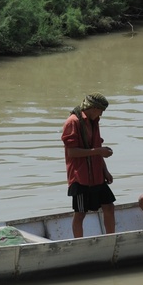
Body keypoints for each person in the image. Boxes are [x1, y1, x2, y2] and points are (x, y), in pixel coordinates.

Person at [61, 93, 115, 238]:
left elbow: (96, 147)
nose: (101, 114)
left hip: (97, 175)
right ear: (93, 108)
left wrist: (105, 171)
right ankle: (79, 242)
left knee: (109, 206)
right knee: (80, 213)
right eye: (101, 110)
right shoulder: (73, 122)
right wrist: (99, 151)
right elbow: (72, 152)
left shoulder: (94, 121)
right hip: (80, 177)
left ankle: (111, 238)